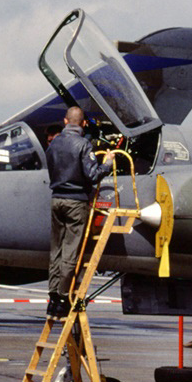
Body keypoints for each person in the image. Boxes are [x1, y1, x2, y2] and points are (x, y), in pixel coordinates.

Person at [46, 106, 107, 318]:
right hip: (75, 202)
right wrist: (107, 164)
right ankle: (63, 298)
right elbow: (93, 175)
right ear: (82, 124)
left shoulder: (53, 145)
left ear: (65, 121)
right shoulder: (83, 144)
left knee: (56, 251)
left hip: (56, 200)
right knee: (70, 252)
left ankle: (52, 299)